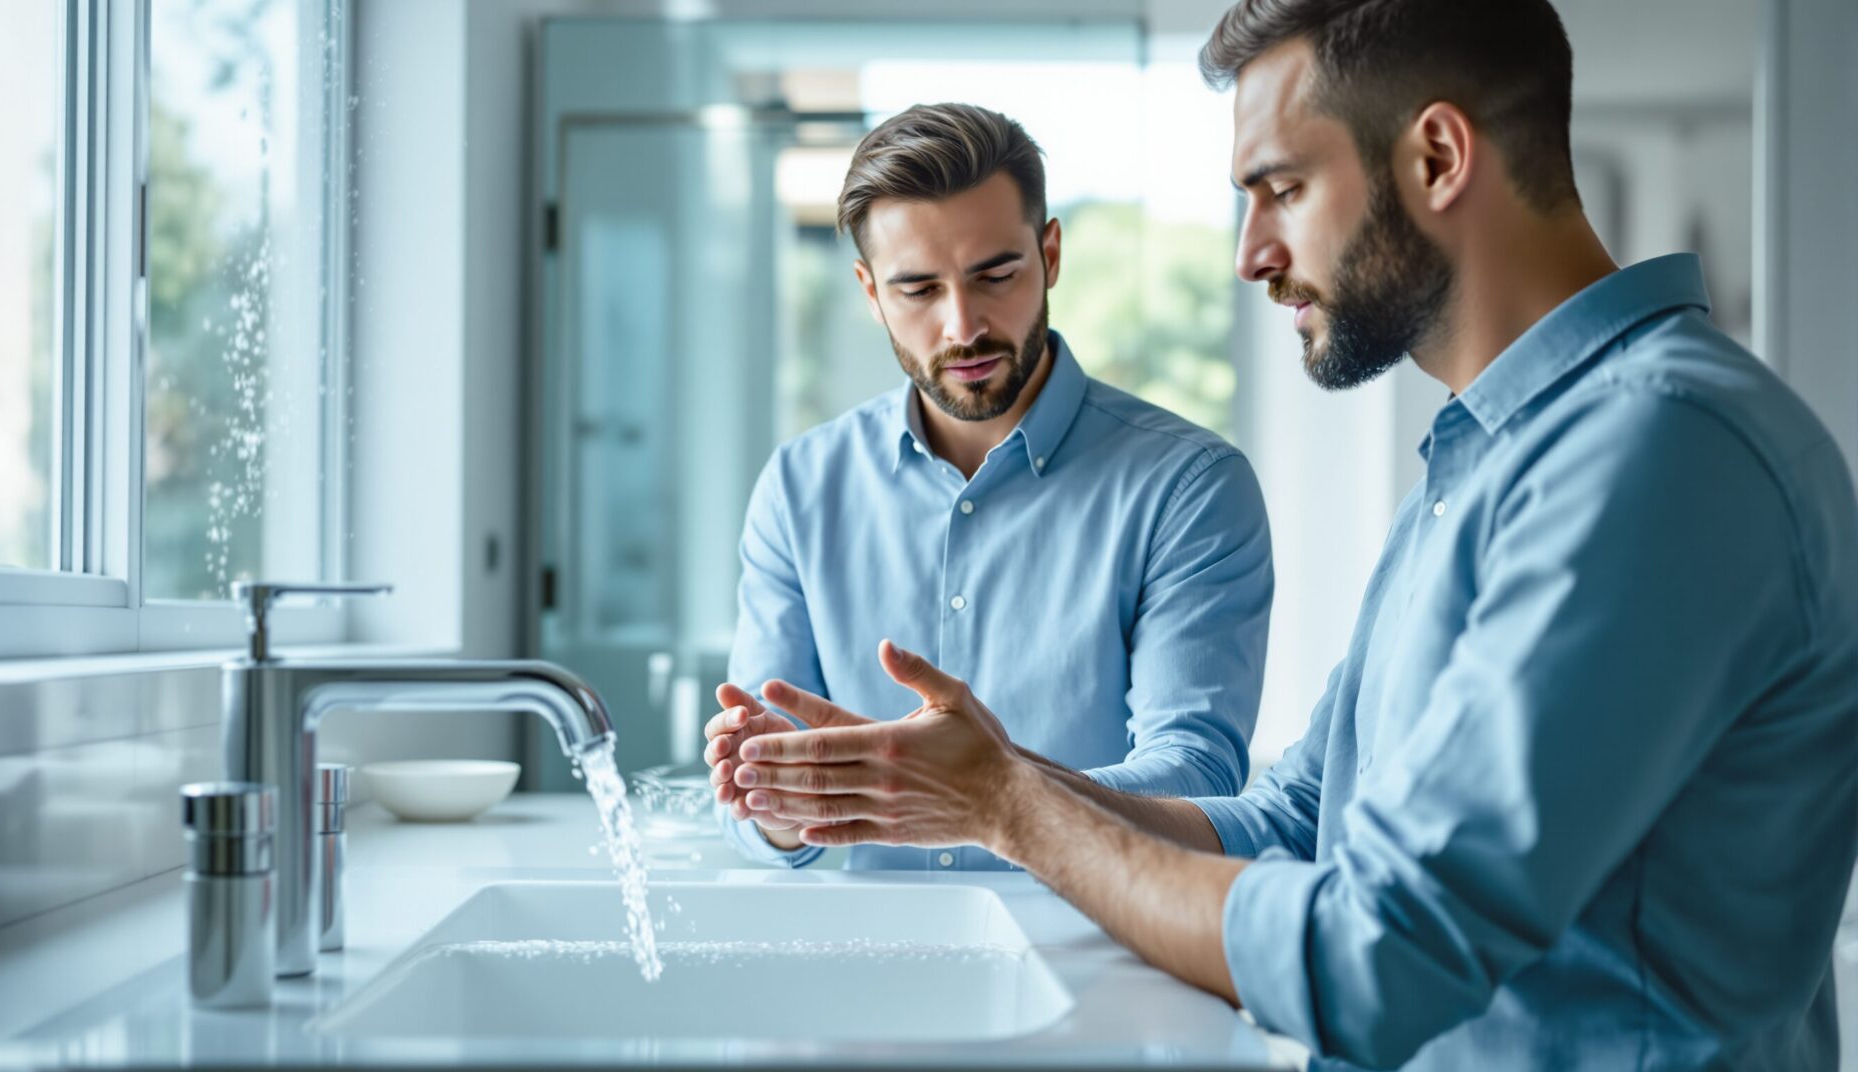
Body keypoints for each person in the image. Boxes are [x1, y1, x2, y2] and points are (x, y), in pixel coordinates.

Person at [717, 2, 1858, 1067]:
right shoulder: (1488, 458)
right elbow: (1295, 817)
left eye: (1282, 188)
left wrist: (1009, 809)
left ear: (1437, 158)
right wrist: (982, 778)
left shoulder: (1656, 450)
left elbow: (1382, 955)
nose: (1250, 253)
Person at [703, 102, 1274, 870]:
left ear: (1050, 255)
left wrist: (987, 791)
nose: (963, 326)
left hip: (1088, 934)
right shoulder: (799, 488)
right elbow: (753, 816)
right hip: (875, 937)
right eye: (918, 290)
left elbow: (1195, 778)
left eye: (996, 275)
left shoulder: (1189, 488)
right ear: (870, 293)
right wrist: (777, 798)